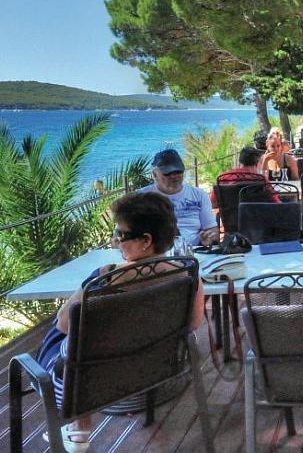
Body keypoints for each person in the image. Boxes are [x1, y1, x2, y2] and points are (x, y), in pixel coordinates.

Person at [36, 192, 205, 451]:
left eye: (121, 235)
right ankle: (78, 428)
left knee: (63, 334)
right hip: (151, 368)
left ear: (146, 241)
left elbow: (64, 324)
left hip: (84, 383)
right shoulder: (188, 274)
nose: (115, 241)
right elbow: (193, 324)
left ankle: (80, 427)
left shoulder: (104, 279)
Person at [138, 149, 218, 246]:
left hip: (194, 251)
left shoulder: (199, 195)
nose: (174, 176)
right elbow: (122, 235)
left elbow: (211, 229)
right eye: (167, 173)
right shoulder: (140, 198)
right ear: (154, 174)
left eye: (178, 171)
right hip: (154, 252)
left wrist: (209, 238)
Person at [210, 146, 279, 207]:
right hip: (257, 220)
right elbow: (276, 203)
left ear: (240, 161)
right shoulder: (261, 180)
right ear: (257, 163)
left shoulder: (223, 178)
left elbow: (213, 204)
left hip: (231, 221)